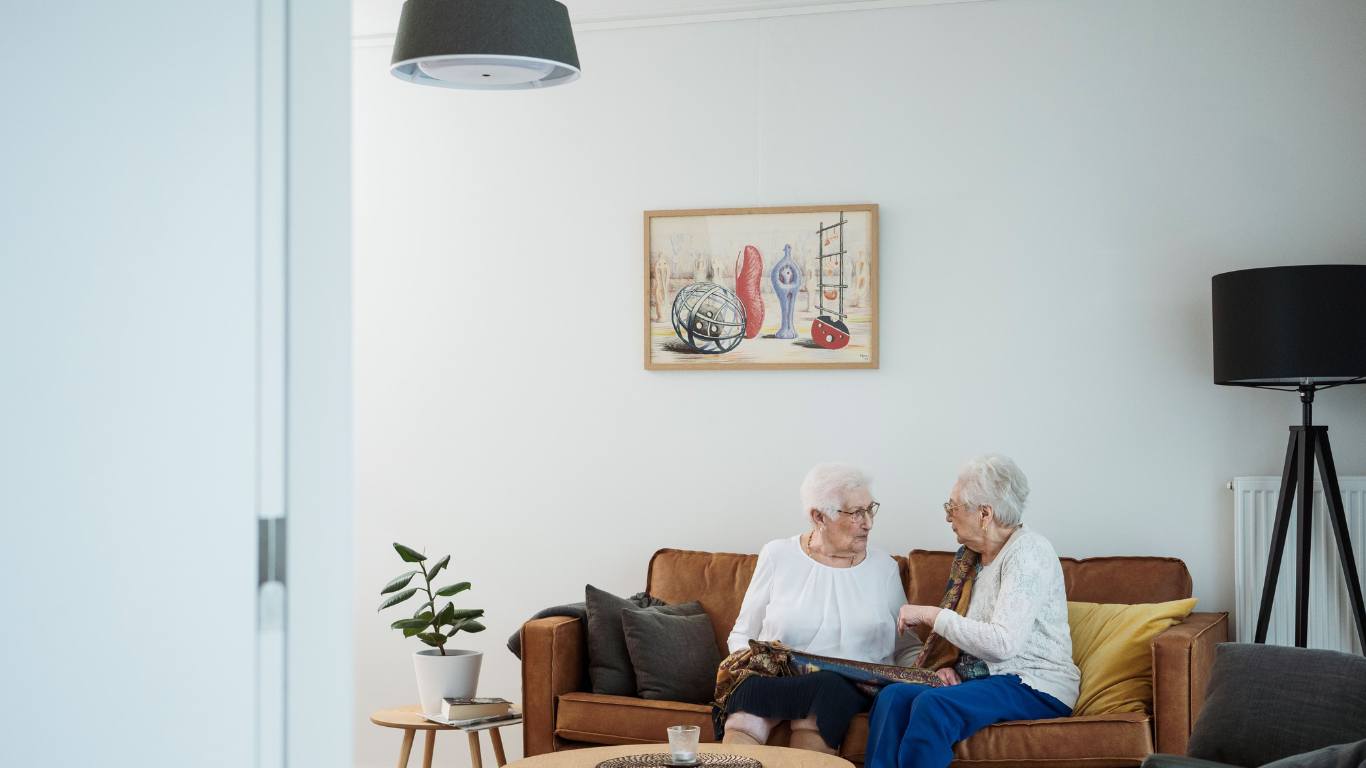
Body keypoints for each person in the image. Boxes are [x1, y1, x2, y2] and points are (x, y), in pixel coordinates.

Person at [864, 455, 1079, 768]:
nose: (948, 517)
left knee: (932, 706)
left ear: (985, 514)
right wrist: (954, 667)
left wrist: (931, 615)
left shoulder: (1029, 551)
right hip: (987, 680)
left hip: (1033, 683)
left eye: (952, 507)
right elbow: (971, 640)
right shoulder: (972, 560)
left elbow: (1003, 644)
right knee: (893, 697)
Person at [721, 463, 920, 754]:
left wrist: (931, 672)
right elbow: (742, 634)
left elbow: (906, 647)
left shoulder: (883, 568)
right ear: (818, 516)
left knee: (825, 696)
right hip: (778, 676)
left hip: (848, 684)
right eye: (855, 513)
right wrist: (748, 668)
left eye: (870, 509)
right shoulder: (778, 555)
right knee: (745, 713)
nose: (868, 523)